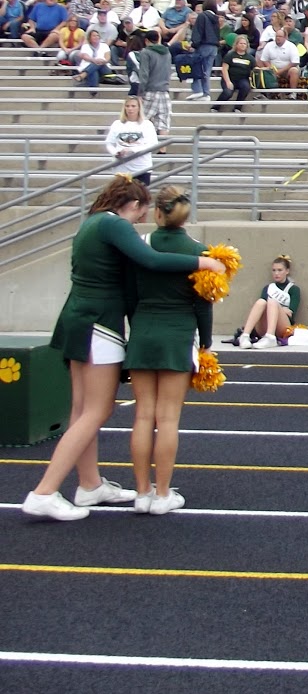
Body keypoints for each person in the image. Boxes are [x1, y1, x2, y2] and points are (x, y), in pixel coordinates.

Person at [21, 177, 223, 521]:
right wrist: (203, 263)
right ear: (134, 205)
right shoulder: (115, 224)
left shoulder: (92, 223)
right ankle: (44, 491)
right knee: (97, 411)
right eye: (140, 213)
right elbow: (152, 261)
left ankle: (90, 484)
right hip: (100, 322)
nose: (141, 221)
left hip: (77, 317)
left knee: (81, 408)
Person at [124, 186, 213, 514]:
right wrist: (205, 341)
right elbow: (204, 305)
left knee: (143, 415)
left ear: (158, 213)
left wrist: (138, 327)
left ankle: (142, 492)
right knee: (169, 418)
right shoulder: (200, 251)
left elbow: (130, 295)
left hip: (143, 332)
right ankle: (163, 494)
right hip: (178, 335)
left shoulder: (139, 246)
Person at [233, 256, 301, 346]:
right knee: (261, 302)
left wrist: (277, 307)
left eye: (280, 270)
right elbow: (263, 307)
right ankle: (245, 336)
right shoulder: (268, 288)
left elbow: (291, 313)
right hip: (264, 326)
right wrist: (282, 309)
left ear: (287, 271)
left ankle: (270, 337)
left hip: (283, 328)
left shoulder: (294, 289)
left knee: (272, 302)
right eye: (274, 270)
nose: (276, 273)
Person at [105, 96, 160, 186]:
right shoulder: (117, 124)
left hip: (141, 168)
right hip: (121, 169)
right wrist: (116, 153)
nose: (130, 109)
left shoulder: (147, 124)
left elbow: (153, 144)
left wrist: (133, 150)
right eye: (128, 106)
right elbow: (109, 143)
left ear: (139, 108)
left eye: (133, 106)